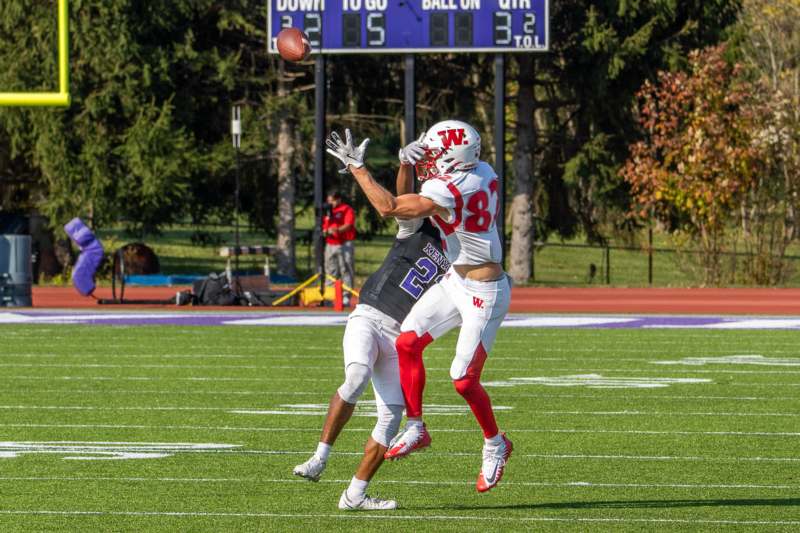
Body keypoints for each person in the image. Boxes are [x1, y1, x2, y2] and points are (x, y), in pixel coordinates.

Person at [326, 121, 512, 493]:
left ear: (453, 161)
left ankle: (495, 444)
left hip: (485, 292)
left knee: (463, 380)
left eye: (434, 155)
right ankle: (416, 427)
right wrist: (406, 163)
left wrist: (356, 167)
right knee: (407, 342)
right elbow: (412, 199)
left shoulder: (453, 187)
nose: (429, 160)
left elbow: (391, 207)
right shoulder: (482, 169)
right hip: (456, 280)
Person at [293, 130, 449, 510]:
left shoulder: (460, 246)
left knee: (392, 416)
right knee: (357, 377)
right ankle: (319, 457)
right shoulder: (418, 225)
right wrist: (404, 163)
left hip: (401, 338)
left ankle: (355, 494)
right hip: (370, 315)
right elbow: (398, 198)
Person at [322, 190, 356, 305]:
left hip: (344, 243)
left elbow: (348, 225)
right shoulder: (327, 212)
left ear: (338, 199)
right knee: (330, 270)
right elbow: (323, 226)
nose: (330, 203)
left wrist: (336, 230)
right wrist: (325, 231)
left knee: (345, 269)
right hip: (330, 244)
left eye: (332, 201)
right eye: (329, 201)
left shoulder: (347, 209)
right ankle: (330, 296)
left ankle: (346, 296)